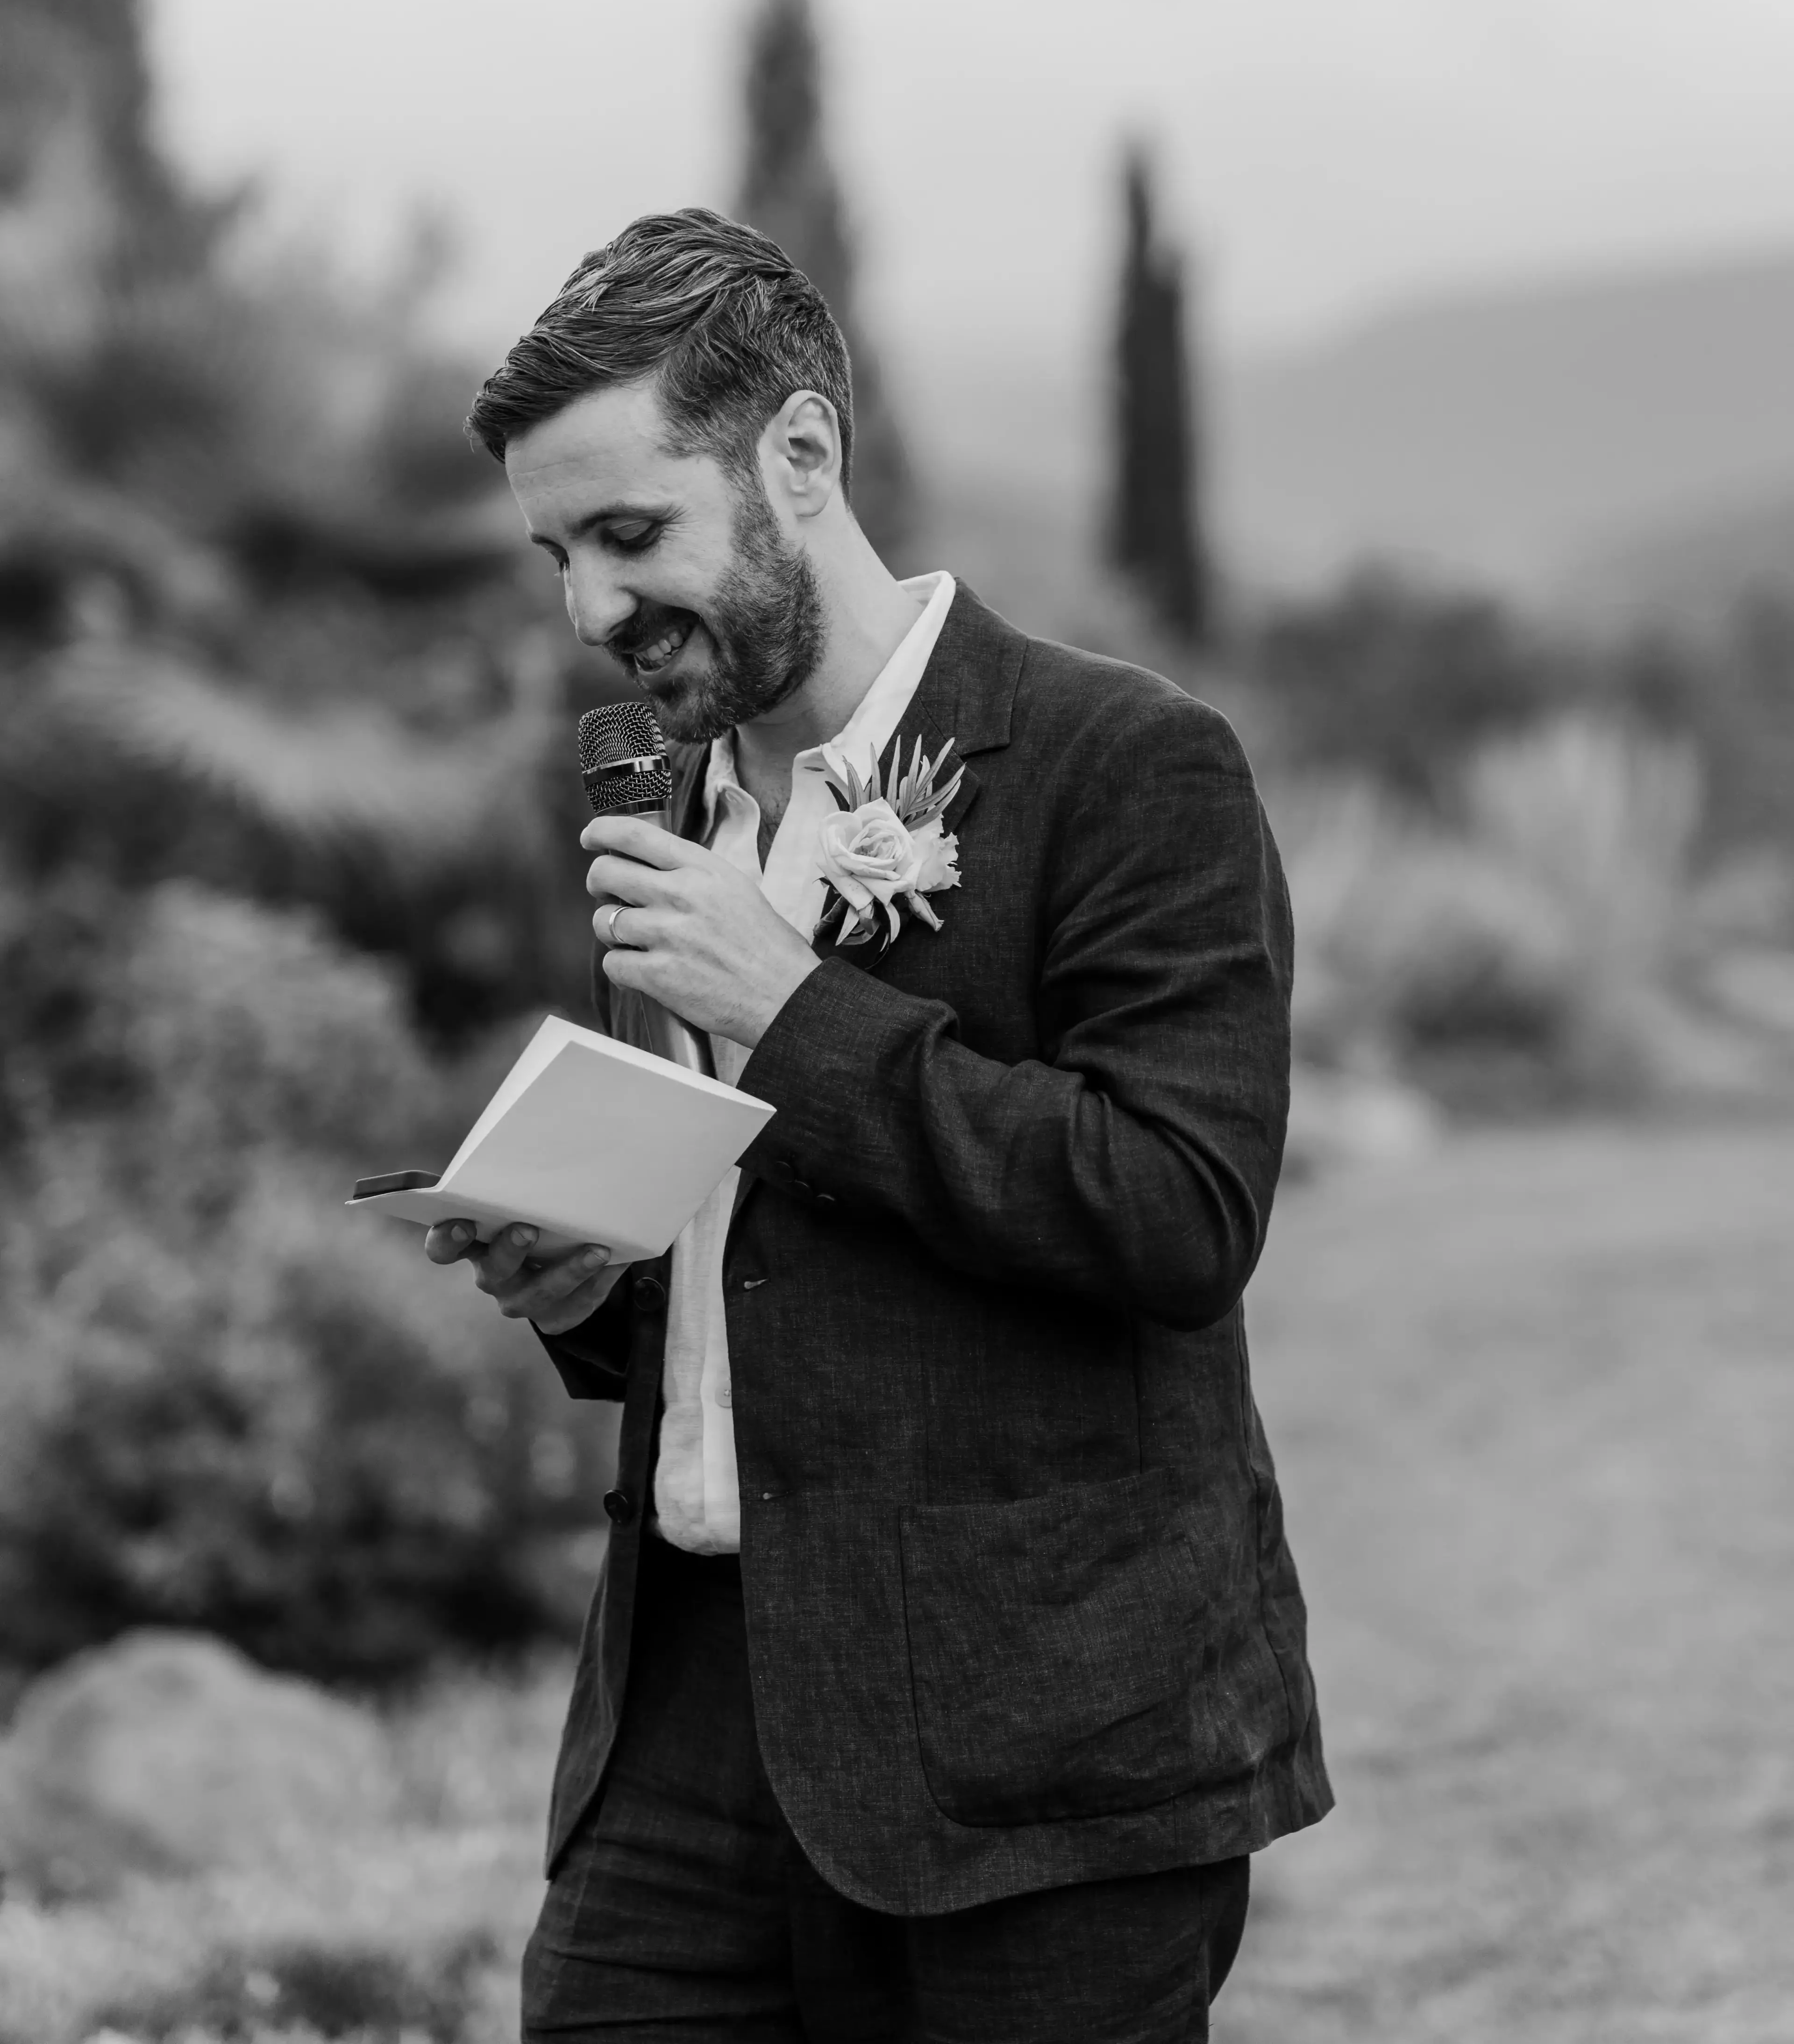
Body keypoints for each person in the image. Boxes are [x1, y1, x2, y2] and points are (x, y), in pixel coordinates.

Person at [432, 207, 1331, 2043]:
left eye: (631, 534)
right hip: (685, 1740)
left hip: (1042, 1759)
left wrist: (795, 1010)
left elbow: (1177, 1214)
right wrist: (572, 1279)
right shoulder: (654, 805)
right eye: (556, 555)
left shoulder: (1129, 764)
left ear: (803, 456)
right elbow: (725, 1272)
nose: (594, 609)